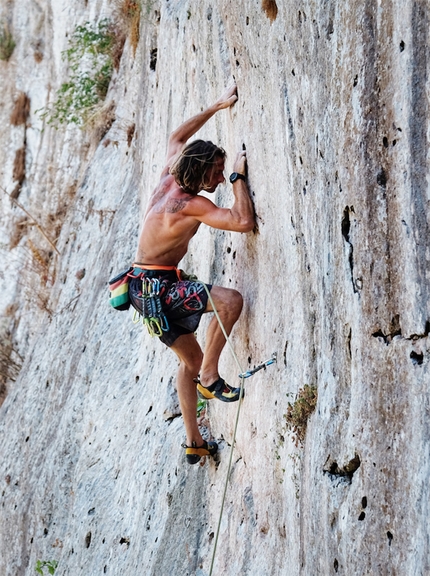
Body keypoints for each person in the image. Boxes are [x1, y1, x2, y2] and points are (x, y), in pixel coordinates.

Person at [129, 83, 255, 464]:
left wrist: (216, 106)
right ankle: (212, 379)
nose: (217, 180)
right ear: (202, 171)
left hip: (142, 288)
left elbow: (177, 136)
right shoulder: (188, 205)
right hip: (160, 288)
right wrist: (237, 178)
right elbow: (243, 221)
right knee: (230, 302)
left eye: (221, 174)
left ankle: (194, 441)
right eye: (215, 173)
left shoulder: (170, 173)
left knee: (187, 362)